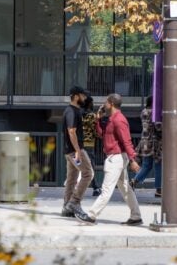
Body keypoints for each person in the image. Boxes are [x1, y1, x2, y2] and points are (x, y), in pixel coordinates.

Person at [74, 93, 142, 225]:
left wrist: (133, 159)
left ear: (111, 103)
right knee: (125, 188)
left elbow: (126, 141)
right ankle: (136, 216)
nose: (104, 104)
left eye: (106, 102)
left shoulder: (119, 120)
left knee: (106, 190)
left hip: (115, 158)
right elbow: (102, 135)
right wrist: (99, 119)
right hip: (116, 157)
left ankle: (91, 216)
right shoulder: (111, 118)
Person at [61, 86, 94, 218]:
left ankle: (66, 207)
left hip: (69, 151)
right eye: (83, 96)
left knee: (71, 178)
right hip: (75, 151)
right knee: (88, 174)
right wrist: (77, 150)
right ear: (75, 96)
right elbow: (71, 131)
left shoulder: (72, 110)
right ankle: (74, 202)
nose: (85, 98)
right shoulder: (72, 111)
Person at [130, 97, 162, 197]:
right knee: (158, 165)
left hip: (144, 142)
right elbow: (158, 127)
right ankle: (159, 190)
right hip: (154, 143)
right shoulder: (154, 112)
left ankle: (134, 181)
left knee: (146, 165)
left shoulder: (143, 112)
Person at [81, 95, 102, 197]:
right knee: (90, 166)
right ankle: (95, 187)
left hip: (79, 144)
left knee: (80, 166)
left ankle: (93, 186)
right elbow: (97, 130)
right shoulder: (92, 116)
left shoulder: (79, 114)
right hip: (89, 144)